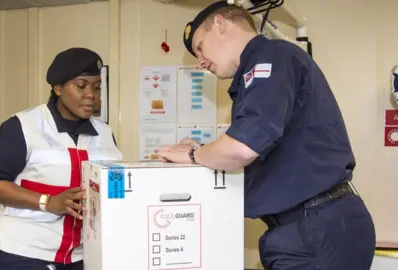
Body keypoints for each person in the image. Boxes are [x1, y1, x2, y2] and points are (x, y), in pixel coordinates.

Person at [157, 1, 376, 269]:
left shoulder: (272, 57)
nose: (201, 62)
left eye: (200, 47)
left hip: (316, 230)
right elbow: (266, 146)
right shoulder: (263, 67)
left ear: (219, 23)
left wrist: (194, 155)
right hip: (311, 228)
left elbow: (242, 148)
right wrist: (207, 149)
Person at [0, 47, 122, 270]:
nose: (91, 94)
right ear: (58, 88)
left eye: (97, 86)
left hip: (80, 258)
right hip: (21, 256)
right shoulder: (24, 126)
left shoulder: (104, 134)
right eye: (81, 86)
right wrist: (48, 202)